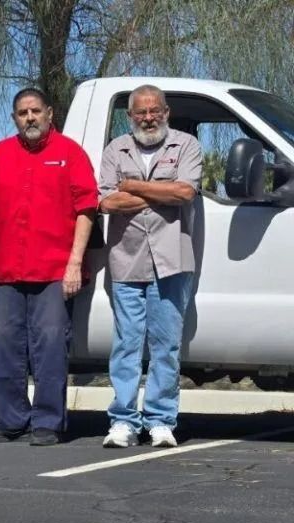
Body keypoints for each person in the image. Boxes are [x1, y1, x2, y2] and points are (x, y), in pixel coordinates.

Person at [0, 88, 98, 446]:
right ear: (14, 118)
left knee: (50, 346)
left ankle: (47, 422)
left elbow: (87, 210)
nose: (30, 118)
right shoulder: (0, 154)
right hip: (7, 270)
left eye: (36, 111)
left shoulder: (70, 153)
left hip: (54, 271)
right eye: (22, 113)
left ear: (49, 113)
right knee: (5, 345)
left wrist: (74, 263)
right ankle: (10, 420)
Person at [99, 84, 202, 449]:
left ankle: (160, 420)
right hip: (126, 260)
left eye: (154, 110)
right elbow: (107, 202)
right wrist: (158, 192)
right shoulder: (116, 149)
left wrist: (132, 186)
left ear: (166, 111)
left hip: (172, 260)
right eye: (140, 112)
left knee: (166, 346)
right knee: (126, 344)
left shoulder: (186, 146)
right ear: (130, 117)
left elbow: (185, 193)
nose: (148, 117)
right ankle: (123, 421)